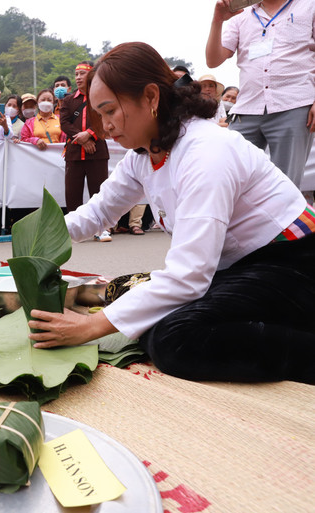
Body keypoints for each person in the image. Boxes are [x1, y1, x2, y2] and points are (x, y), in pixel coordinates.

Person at [28, 41, 315, 385]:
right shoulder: (144, 153)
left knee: (173, 338)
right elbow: (98, 212)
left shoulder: (206, 152)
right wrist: (38, 235)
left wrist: (90, 326)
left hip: (292, 264)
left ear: (150, 98)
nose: (105, 128)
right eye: (99, 116)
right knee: (144, 312)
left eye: (110, 111)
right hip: (238, 268)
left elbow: (188, 276)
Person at [206, 0, 315, 190]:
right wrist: (217, 20)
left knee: (286, 184)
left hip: (294, 103)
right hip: (247, 108)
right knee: (228, 176)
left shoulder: (308, 5)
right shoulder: (241, 14)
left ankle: (285, 219)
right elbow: (213, 60)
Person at [60, 61, 112, 242]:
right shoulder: (68, 100)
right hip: (74, 151)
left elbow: (105, 118)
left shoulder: (101, 97)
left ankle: (102, 228)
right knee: (72, 192)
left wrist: (90, 134)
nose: (78, 77)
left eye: (82, 74)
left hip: (97, 150)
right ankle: (73, 229)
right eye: (76, 74)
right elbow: (64, 124)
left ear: (91, 76)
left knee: (98, 191)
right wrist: (81, 139)